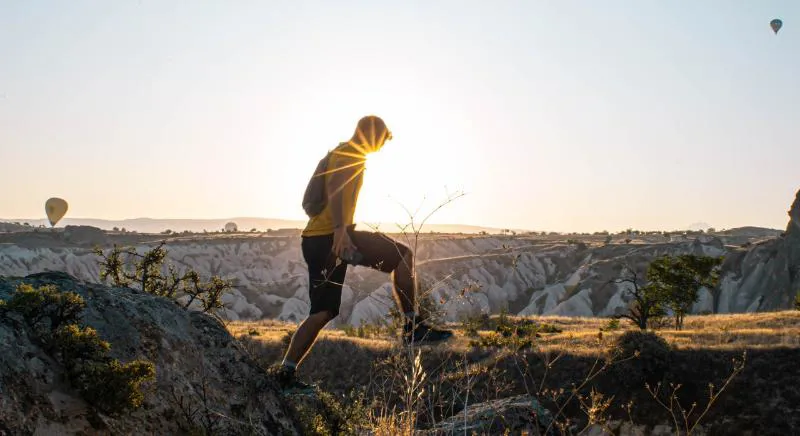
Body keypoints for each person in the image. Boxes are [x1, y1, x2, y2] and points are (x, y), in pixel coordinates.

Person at [273, 115, 453, 391]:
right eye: (381, 140)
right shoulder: (349, 154)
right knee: (401, 257)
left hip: (322, 238)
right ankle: (412, 328)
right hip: (329, 238)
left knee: (325, 310)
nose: (381, 147)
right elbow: (336, 189)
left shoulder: (343, 152)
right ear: (371, 135)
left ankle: (286, 372)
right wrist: (340, 232)